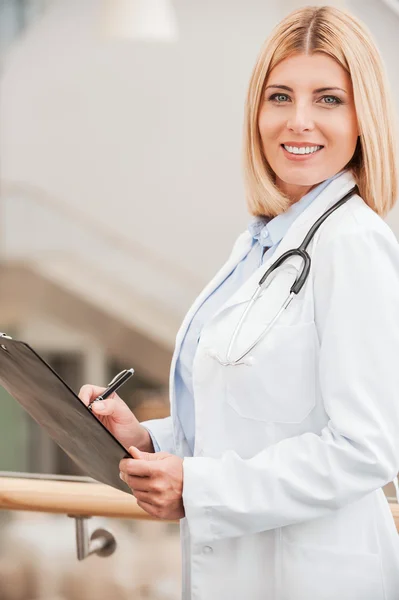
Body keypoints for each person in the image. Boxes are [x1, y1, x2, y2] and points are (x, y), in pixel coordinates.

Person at [79, 6, 399, 599]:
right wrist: (152, 441)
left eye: (328, 98)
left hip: (315, 579)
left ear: (363, 119)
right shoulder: (263, 241)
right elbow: (255, 418)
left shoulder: (352, 244)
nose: (298, 121)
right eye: (280, 96)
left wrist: (198, 489)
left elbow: (367, 448)